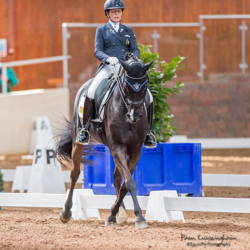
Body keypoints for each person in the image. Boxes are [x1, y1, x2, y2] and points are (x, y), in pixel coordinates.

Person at [77, 0, 156, 148]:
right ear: (108, 13)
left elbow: (135, 49)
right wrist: (107, 58)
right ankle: (84, 129)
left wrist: (134, 60)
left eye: (119, 11)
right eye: (114, 11)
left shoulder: (128, 30)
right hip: (109, 67)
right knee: (91, 92)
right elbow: (97, 50)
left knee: (149, 96)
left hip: (126, 68)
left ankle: (149, 133)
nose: (116, 14)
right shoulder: (102, 30)